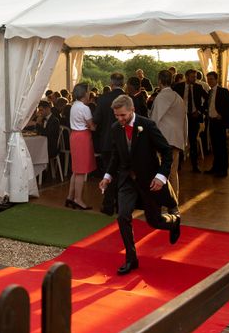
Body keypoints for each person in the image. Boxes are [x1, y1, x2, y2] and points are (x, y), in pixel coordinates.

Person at [98, 95, 180, 275]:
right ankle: (131, 258)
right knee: (123, 216)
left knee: (154, 221)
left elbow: (167, 152)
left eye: (123, 115)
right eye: (117, 116)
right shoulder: (115, 128)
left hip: (148, 180)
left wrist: (160, 177)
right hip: (126, 180)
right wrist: (107, 176)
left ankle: (173, 222)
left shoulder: (147, 125)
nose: (120, 119)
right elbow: (115, 156)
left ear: (132, 110)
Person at [151, 70, 187, 198]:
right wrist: (184, 139)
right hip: (176, 138)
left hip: (164, 139)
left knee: (161, 172)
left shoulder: (161, 96)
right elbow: (184, 119)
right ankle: (174, 200)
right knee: (173, 172)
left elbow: (154, 120)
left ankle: (164, 201)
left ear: (159, 81)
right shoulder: (178, 97)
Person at [93, 73, 126, 215]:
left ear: (111, 84)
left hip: (107, 141)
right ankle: (121, 204)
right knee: (123, 174)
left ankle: (107, 205)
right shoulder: (129, 99)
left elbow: (97, 120)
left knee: (108, 173)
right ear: (123, 84)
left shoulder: (103, 98)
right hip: (125, 142)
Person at [66, 83, 96, 210]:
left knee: (76, 169)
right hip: (82, 137)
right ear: (84, 93)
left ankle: (70, 196)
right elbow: (92, 126)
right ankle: (78, 199)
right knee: (81, 171)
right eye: (88, 91)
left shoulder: (74, 105)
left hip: (74, 136)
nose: (89, 93)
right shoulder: (85, 108)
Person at [173, 69, 208, 173]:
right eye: (193, 76)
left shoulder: (198, 87)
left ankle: (195, 166)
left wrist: (200, 110)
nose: (195, 78)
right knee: (179, 140)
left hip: (193, 117)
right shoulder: (178, 87)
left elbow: (208, 98)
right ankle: (178, 165)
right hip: (180, 117)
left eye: (196, 76)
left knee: (193, 141)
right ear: (187, 77)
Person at [205, 71, 229, 177]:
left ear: (216, 80)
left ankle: (223, 170)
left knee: (221, 146)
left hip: (220, 122)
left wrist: (221, 114)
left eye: (212, 79)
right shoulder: (209, 92)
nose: (209, 81)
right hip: (212, 121)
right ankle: (215, 167)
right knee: (214, 146)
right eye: (208, 79)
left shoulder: (223, 91)